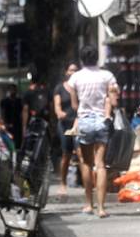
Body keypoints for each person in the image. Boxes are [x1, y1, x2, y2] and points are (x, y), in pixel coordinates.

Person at [67, 45, 117, 218]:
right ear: (97, 58)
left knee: (86, 163)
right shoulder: (107, 75)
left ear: (82, 59)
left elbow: (74, 105)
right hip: (102, 120)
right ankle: (102, 208)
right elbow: (114, 99)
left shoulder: (75, 77)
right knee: (101, 164)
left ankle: (88, 204)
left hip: (85, 121)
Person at [53, 62, 81, 198]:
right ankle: (63, 183)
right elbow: (57, 105)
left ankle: (86, 182)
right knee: (66, 154)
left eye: (75, 70)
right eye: (71, 70)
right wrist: (59, 113)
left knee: (81, 153)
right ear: (66, 72)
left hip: (79, 122)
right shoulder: (59, 88)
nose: (73, 72)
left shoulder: (80, 87)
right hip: (64, 124)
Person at [21, 76, 50, 147]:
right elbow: (51, 107)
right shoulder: (46, 92)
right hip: (44, 121)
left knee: (31, 143)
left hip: (32, 122)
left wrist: (24, 126)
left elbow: (25, 110)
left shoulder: (28, 93)